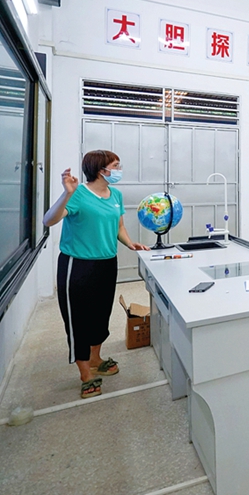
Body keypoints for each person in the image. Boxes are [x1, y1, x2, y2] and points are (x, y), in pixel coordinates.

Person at [43, 150, 150, 399]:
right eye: (116, 165)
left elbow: (119, 225)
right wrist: (67, 193)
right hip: (77, 265)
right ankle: (85, 374)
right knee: (78, 319)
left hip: (106, 263)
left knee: (101, 315)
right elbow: (49, 220)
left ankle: (95, 358)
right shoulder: (78, 194)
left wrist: (130, 243)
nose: (119, 169)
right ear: (101, 170)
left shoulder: (116, 195)